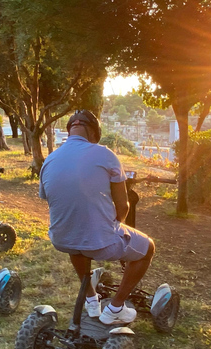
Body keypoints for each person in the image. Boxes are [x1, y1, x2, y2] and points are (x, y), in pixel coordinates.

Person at [39, 109, 155, 325]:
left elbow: (51, 197)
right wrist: (116, 224)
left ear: (70, 129)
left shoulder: (50, 159)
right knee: (148, 248)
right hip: (100, 243)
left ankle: (92, 300)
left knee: (77, 241)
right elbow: (123, 205)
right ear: (93, 133)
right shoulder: (105, 154)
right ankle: (115, 308)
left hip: (62, 239)